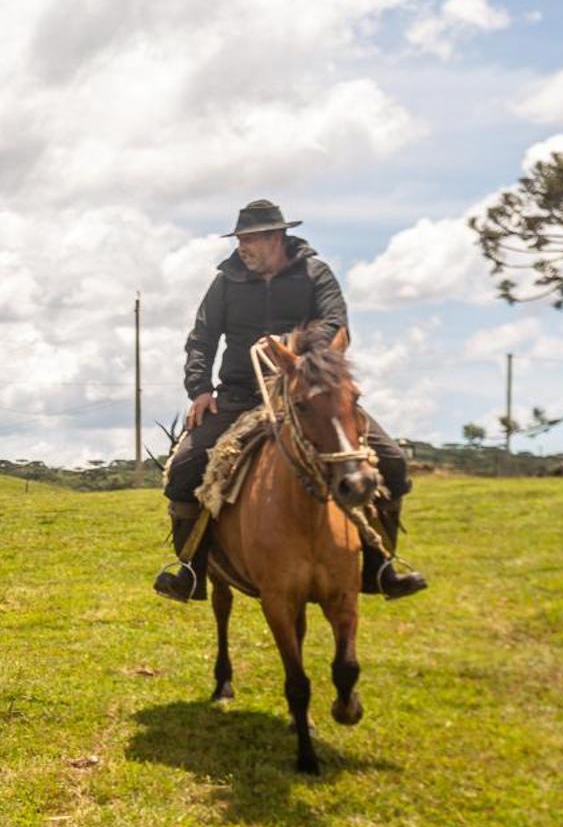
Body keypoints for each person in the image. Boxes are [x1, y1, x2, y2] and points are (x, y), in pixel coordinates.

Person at [154, 199, 427, 603]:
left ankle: (380, 565)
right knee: (184, 468)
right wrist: (200, 390)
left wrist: (292, 353)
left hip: (309, 393)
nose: (241, 247)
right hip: (239, 396)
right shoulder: (226, 281)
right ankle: (191, 570)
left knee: (391, 462)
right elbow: (202, 337)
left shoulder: (316, 275)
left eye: (249, 239)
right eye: (240, 239)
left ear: (275, 237)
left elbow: (336, 324)